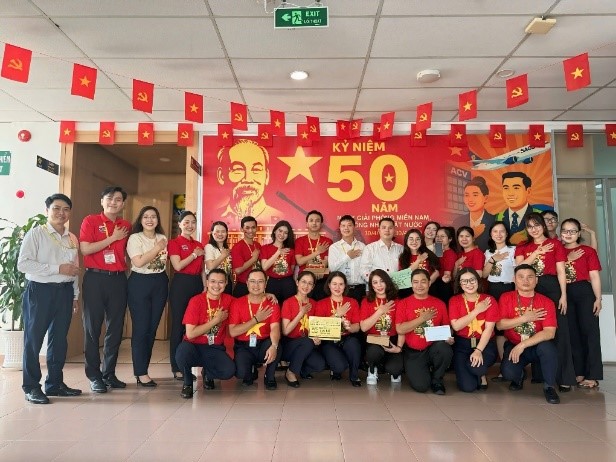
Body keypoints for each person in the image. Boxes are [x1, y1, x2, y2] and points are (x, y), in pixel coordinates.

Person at [17, 193, 81, 404]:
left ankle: (54, 384)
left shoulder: (72, 238)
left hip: (64, 292)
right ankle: (31, 387)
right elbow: (23, 264)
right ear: (47, 210)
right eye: (56, 208)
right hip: (40, 291)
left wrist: (75, 295)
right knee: (33, 340)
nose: (61, 213)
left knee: (59, 340)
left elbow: (74, 269)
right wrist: (57, 268)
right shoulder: (36, 234)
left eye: (66, 209)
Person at [515, 212, 576, 390]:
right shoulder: (523, 246)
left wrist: (563, 295)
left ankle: (564, 377)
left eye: (537, 225)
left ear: (543, 225)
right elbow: (519, 268)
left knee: (560, 331)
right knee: (536, 328)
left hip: (551, 287)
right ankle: (540, 375)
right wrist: (537, 252)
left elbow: (561, 271)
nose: (534, 229)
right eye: (530, 226)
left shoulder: (555, 244)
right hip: (529, 288)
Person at [80, 186, 130, 393]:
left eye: (118, 199)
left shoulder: (126, 225)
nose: (113, 202)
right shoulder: (90, 221)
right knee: (92, 329)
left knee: (115, 329)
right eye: (109, 198)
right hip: (95, 278)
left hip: (118, 279)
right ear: (102, 201)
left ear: (123, 204)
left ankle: (109, 373)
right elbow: (85, 249)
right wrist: (112, 238)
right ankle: (94, 376)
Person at [496, 264, 561, 404]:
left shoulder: (546, 302)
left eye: (530, 277)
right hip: (514, 344)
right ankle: (519, 375)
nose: (525, 281)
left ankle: (549, 387)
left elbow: (550, 332)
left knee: (548, 349)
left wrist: (523, 345)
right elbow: (500, 325)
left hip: (536, 346)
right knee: (508, 373)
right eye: (521, 277)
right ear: (514, 279)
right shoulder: (506, 297)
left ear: (536, 280)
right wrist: (524, 318)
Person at [175, 269, 235, 399]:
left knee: (229, 371)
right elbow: (190, 334)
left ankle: (208, 373)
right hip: (193, 346)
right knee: (182, 353)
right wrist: (216, 320)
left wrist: (268, 295)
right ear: (207, 282)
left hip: (214, 347)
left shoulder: (229, 300)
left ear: (226, 283)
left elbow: (249, 300)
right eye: (213, 281)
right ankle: (187, 383)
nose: (216, 285)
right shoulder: (196, 301)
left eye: (221, 282)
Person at [126, 206, 168, 387]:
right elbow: (138, 261)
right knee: (141, 328)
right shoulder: (135, 238)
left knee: (152, 329)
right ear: (141, 220)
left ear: (158, 220)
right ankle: (140, 372)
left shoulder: (163, 237)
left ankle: (144, 369)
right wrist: (157, 248)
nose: (150, 220)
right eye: (146, 217)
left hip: (160, 282)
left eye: (153, 216)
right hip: (140, 283)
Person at [395, 269, 453, 394]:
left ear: (429, 283)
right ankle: (425, 371)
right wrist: (422, 318)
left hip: (433, 347)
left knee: (444, 349)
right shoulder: (403, 303)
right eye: (415, 282)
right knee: (421, 386)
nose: (419, 285)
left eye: (423, 281)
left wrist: (449, 338)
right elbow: (400, 329)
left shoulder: (439, 304)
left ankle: (437, 379)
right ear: (411, 284)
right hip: (414, 351)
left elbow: (447, 329)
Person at [560, 218, 603, 389]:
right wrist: (567, 258)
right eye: (565, 230)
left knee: (590, 333)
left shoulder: (588, 251)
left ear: (578, 234)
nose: (568, 234)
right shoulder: (558, 250)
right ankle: (578, 372)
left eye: (572, 231)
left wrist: (598, 298)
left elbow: (594, 276)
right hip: (564, 293)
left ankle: (593, 375)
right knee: (572, 334)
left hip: (584, 292)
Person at [229, 268, 282, 390]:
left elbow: (275, 328)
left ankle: (269, 376)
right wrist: (256, 319)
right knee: (241, 374)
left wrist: (274, 346)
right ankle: (251, 370)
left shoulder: (272, 302)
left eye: (260, 281)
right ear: (247, 283)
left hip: (263, 343)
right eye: (252, 281)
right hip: (243, 346)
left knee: (276, 345)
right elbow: (232, 332)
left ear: (266, 283)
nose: (256, 285)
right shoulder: (237, 303)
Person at [168, 211, 205, 381]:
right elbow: (178, 265)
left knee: (195, 325)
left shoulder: (199, 244)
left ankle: (189, 364)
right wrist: (194, 255)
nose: (190, 225)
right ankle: (176, 367)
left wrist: (205, 287)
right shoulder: (174, 243)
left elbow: (202, 269)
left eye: (193, 222)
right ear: (180, 224)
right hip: (181, 284)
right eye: (187, 222)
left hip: (197, 283)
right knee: (178, 326)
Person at [449, 268, 498, 392]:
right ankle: (472, 372)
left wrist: (478, 351)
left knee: (477, 368)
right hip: (463, 344)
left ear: (478, 281)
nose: (469, 284)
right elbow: (456, 326)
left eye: (472, 280)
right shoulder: (454, 300)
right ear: (459, 284)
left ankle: (480, 373)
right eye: (464, 281)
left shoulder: (489, 300)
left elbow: (489, 329)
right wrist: (477, 311)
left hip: (484, 344)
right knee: (467, 387)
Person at [216, 139, 283, 228]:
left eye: (256, 169)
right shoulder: (216, 216)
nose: (248, 179)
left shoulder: (281, 217)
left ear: (266, 176)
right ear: (221, 176)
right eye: (238, 169)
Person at [280, 271, 327, 387]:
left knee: (320, 365)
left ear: (313, 287)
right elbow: (286, 331)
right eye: (303, 282)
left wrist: (317, 338)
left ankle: (301, 369)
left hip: (307, 344)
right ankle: (290, 372)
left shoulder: (314, 303)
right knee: (307, 342)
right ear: (297, 282)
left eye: (310, 283)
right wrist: (301, 313)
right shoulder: (288, 302)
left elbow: (316, 328)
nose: (306, 286)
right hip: (290, 345)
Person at [315, 271, 362, 387]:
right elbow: (318, 328)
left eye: (341, 284)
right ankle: (335, 367)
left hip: (346, 338)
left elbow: (357, 327)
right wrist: (337, 314)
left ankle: (354, 375)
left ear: (345, 286)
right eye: (334, 284)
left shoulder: (352, 302)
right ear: (329, 285)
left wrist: (349, 327)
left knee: (354, 343)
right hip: (328, 340)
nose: (337, 287)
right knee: (340, 367)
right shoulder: (321, 303)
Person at [483, 221, 516, 381]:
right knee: (498, 329)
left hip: (509, 289)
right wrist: (493, 259)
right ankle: (504, 367)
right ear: (491, 234)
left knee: (511, 327)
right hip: (493, 290)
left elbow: (518, 271)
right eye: (495, 231)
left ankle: (514, 367)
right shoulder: (488, 252)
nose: (498, 234)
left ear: (507, 234)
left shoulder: (513, 250)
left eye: (502, 231)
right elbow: (483, 275)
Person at [360, 270, 404, 385]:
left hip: (392, 339)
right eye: (375, 282)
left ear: (387, 282)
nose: (379, 285)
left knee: (396, 369)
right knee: (374, 352)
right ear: (371, 286)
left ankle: (390, 368)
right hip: (374, 339)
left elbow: (402, 328)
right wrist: (379, 311)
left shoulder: (397, 301)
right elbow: (363, 328)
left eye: (382, 281)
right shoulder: (366, 301)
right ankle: (372, 369)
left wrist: (398, 347)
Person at [494, 171, 544, 245]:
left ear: (528, 191)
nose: (510, 193)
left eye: (516, 188)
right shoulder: (498, 217)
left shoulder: (540, 215)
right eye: (506, 188)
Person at [295, 210, 333, 301]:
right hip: (305, 281)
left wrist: (319, 271)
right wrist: (317, 252)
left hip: (322, 281)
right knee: (306, 306)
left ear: (321, 224)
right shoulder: (300, 241)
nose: (314, 223)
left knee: (322, 306)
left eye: (317, 220)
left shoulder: (327, 241)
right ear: (307, 224)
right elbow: (300, 262)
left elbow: (327, 262)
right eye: (311, 220)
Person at [328, 215, 366, 304]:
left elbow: (366, 268)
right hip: (341, 289)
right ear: (340, 228)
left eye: (349, 225)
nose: (346, 228)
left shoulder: (362, 246)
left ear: (354, 227)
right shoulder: (334, 247)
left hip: (359, 289)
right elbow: (332, 269)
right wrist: (347, 257)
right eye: (343, 226)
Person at [452, 176, 495, 251]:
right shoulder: (458, 222)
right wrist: (473, 234)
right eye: (467, 195)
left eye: (475, 195)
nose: (470, 199)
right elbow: (453, 246)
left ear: (485, 198)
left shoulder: (493, 221)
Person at [261, 220, 296, 306]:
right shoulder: (265, 248)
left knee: (289, 308)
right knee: (272, 308)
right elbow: (264, 267)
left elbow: (291, 269)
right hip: (272, 283)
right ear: (274, 231)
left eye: (285, 233)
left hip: (288, 283)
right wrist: (278, 252)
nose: (282, 234)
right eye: (280, 231)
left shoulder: (291, 250)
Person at [398, 229, 440, 298]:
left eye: (417, 239)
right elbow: (404, 275)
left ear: (421, 241)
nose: (414, 242)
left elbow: (437, 272)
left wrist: (426, 284)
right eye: (411, 239)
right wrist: (418, 261)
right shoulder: (403, 258)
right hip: (409, 292)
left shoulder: (429, 254)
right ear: (406, 241)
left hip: (430, 290)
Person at [231, 216, 261, 298]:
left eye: (253, 227)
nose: (250, 231)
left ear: (256, 228)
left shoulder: (257, 245)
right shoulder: (237, 247)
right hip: (243, 286)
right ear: (242, 229)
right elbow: (238, 270)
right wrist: (254, 259)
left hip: (258, 286)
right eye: (247, 228)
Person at [205, 221, 233, 295]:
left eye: (223, 231)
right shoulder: (209, 247)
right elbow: (210, 266)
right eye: (217, 231)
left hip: (226, 282)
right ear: (212, 233)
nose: (220, 234)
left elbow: (229, 269)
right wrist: (223, 255)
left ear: (226, 233)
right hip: (215, 283)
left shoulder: (226, 249)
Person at [433, 226, 457, 303]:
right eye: (437, 236)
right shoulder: (438, 249)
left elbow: (447, 275)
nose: (439, 238)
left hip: (443, 285)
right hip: (434, 283)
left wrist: (446, 278)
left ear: (450, 239)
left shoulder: (450, 254)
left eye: (442, 236)